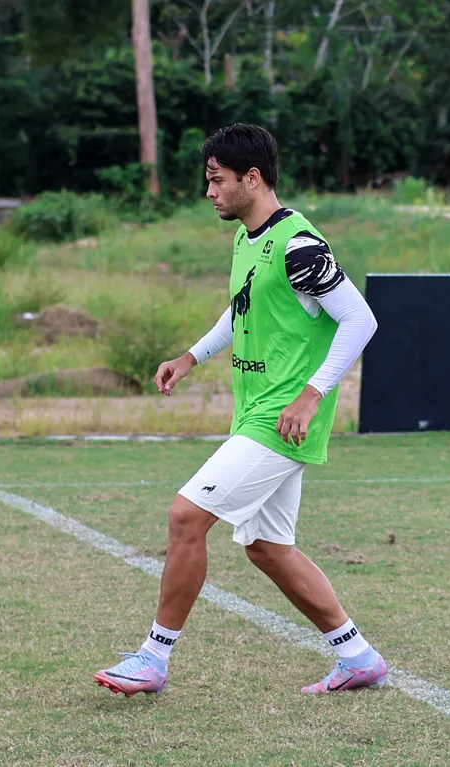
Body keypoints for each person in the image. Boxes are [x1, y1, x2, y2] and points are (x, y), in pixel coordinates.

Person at [94, 123, 387, 697]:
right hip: (258, 411)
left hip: (282, 417)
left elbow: (361, 320)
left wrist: (313, 392)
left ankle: (153, 658)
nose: (210, 192)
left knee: (185, 517)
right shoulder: (249, 238)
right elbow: (243, 310)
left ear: (252, 178)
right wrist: (190, 357)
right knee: (267, 548)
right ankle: (357, 655)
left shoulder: (301, 244)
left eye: (217, 180)